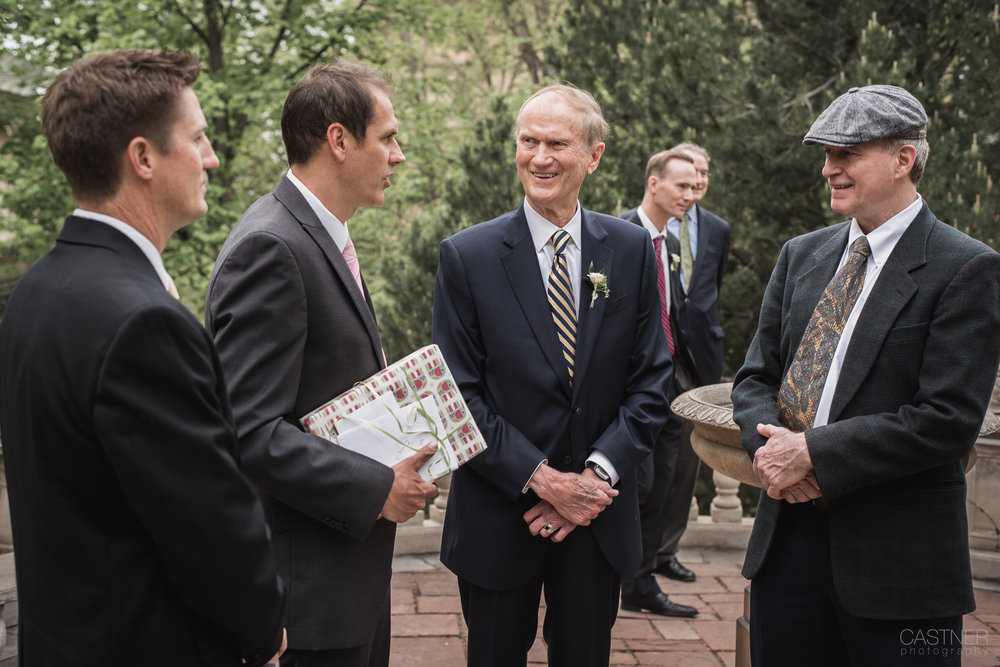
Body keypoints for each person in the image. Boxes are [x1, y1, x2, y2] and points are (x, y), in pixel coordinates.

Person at [0, 49, 286, 666]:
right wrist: (265, 632)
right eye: (199, 137)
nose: (210, 157)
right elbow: (210, 529)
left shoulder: (35, 291)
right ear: (144, 158)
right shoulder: (144, 322)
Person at [731, 84, 1000, 666]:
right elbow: (755, 379)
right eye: (826, 155)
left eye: (846, 154)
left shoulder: (966, 267)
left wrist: (814, 455)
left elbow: (948, 420)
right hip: (788, 548)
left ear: (904, 159)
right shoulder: (801, 255)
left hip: (899, 565)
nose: (829, 169)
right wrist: (773, 453)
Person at [205, 60, 438, 667]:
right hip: (306, 596)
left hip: (344, 575)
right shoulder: (272, 246)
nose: (400, 155)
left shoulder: (317, 233)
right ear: (339, 140)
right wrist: (377, 486)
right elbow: (250, 433)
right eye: (387, 137)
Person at [432, 83, 672, 666]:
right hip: (497, 513)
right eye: (528, 141)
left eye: (557, 143)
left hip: (597, 516)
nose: (539, 157)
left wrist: (589, 481)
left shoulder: (632, 249)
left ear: (594, 156)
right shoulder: (468, 256)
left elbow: (652, 382)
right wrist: (544, 481)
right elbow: (457, 396)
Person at [618, 150, 700, 617]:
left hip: (672, 380)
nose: (690, 195)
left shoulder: (669, 244)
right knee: (639, 483)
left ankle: (642, 581)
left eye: (693, 187)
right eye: (681, 186)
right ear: (654, 184)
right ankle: (618, 572)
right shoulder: (618, 237)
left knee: (665, 482)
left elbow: (674, 315)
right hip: (630, 388)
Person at [652, 141, 731, 584]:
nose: (698, 181)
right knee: (649, 468)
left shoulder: (718, 229)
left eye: (704, 173)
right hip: (657, 360)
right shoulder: (641, 226)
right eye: (691, 172)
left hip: (697, 363)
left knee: (685, 466)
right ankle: (638, 557)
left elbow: (706, 296)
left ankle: (667, 551)